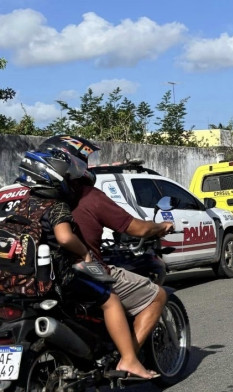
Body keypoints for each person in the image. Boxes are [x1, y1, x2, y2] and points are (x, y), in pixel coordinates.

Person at [17, 143, 159, 379]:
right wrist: (84, 253)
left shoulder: (19, 203)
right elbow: (64, 237)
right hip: (59, 276)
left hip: (20, 279)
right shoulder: (56, 205)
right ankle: (130, 360)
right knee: (110, 299)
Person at [42, 136, 176, 371]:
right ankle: (128, 358)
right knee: (157, 296)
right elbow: (137, 228)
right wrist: (161, 227)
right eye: (82, 160)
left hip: (43, 275)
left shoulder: (34, 197)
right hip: (83, 271)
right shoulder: (89, 196)